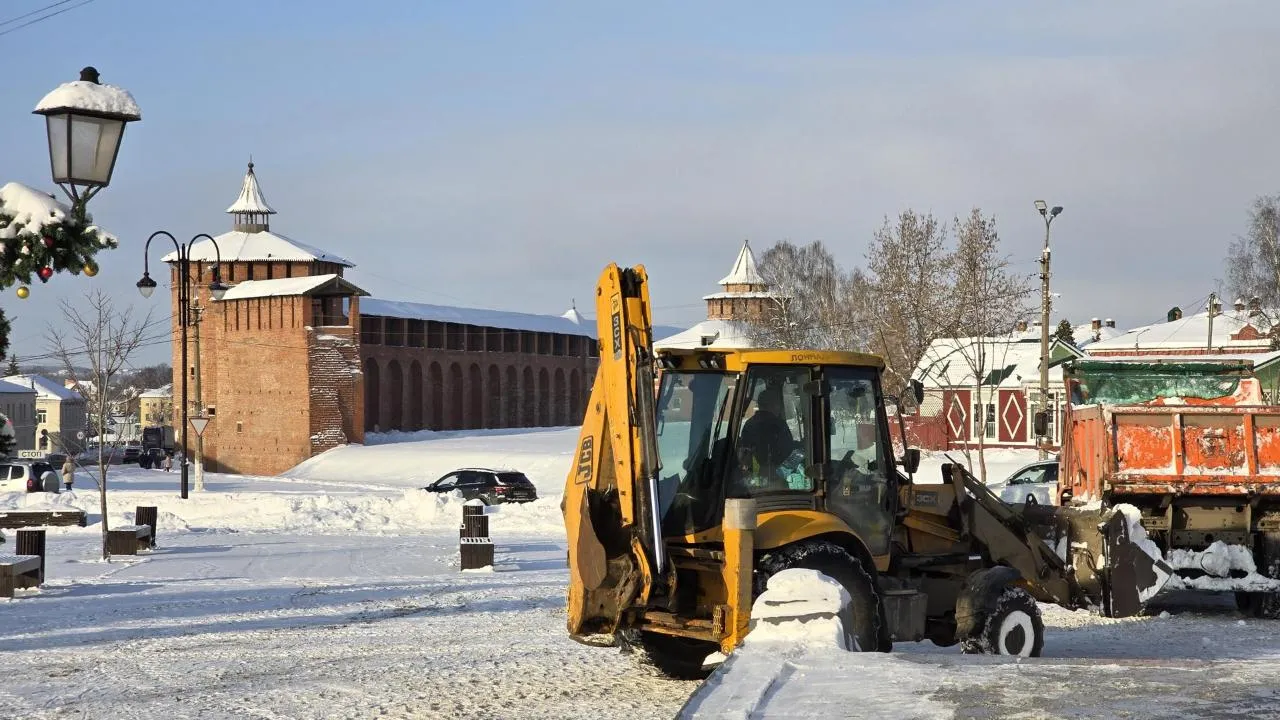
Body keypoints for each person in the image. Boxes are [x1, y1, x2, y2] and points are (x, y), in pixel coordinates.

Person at [736, 382, 797, 489]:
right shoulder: (779, 424)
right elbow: (788, 450)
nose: (779, 407)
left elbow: (745, 451)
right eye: (778, 404)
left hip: (753, 478)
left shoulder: (749, 424)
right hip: (774, 478)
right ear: (773, 405)